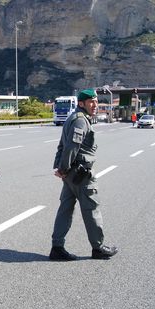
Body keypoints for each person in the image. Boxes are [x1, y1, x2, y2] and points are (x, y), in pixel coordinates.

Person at [49, 89, 118, 261]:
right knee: (91, 209)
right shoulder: (81, 121)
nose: (95, 105)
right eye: (91, 102)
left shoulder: (72, 118)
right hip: (81, 175)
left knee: (65, 210)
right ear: (81, 104)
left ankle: (57, 247)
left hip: (70, 175)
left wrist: (60, 168)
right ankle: (98, 247)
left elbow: (61, 146)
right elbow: (71, 147)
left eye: (96, 101)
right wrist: (62, 168)